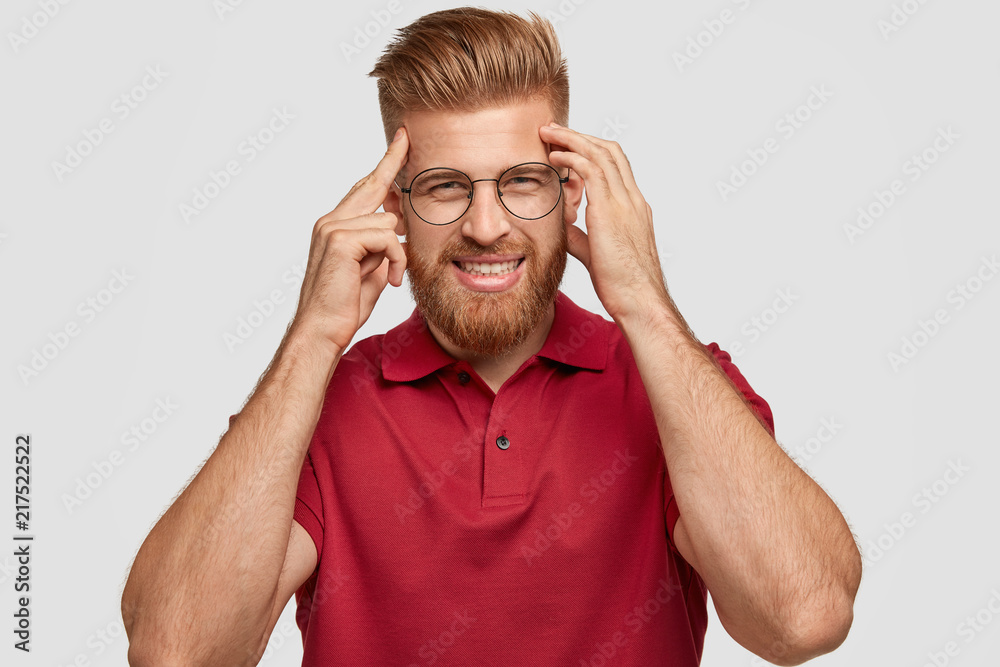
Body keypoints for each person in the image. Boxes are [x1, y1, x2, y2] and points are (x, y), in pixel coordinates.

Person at [121, 8, 861, 666]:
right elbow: (177, 651)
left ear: (570, 192)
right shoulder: (321, 401)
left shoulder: (672, 385)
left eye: (521, 182)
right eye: (446, 185)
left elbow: (801, 620)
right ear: (394, 206)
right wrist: (314, 335)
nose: (485, 225)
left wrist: (642, 299)